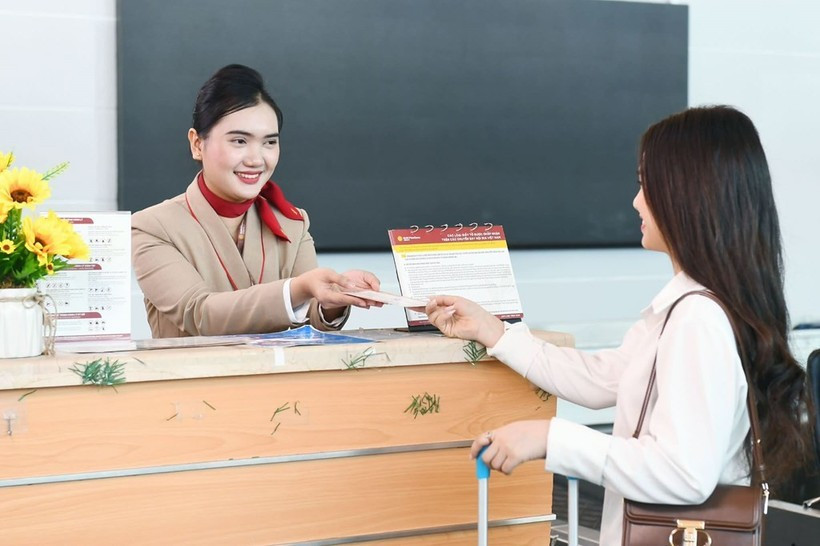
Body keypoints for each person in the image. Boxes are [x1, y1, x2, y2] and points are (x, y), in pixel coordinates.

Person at [423, 106, 814, 543]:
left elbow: (683, 473)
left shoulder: (698, 319)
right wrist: (492, 330)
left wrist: (551, 438)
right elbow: (600, 380)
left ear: (687, 193)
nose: (635, 201)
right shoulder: (692, 308)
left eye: (645, 185)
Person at [132, 64, 381, 338]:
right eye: (239, 141)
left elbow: (310, 316)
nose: (256, 159)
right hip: (194, 379)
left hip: (279, 380)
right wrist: (299, 288)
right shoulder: (152, 227)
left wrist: (334, 296)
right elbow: (198, 314)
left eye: (269, 142)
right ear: (197, 144)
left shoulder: (292, 222)